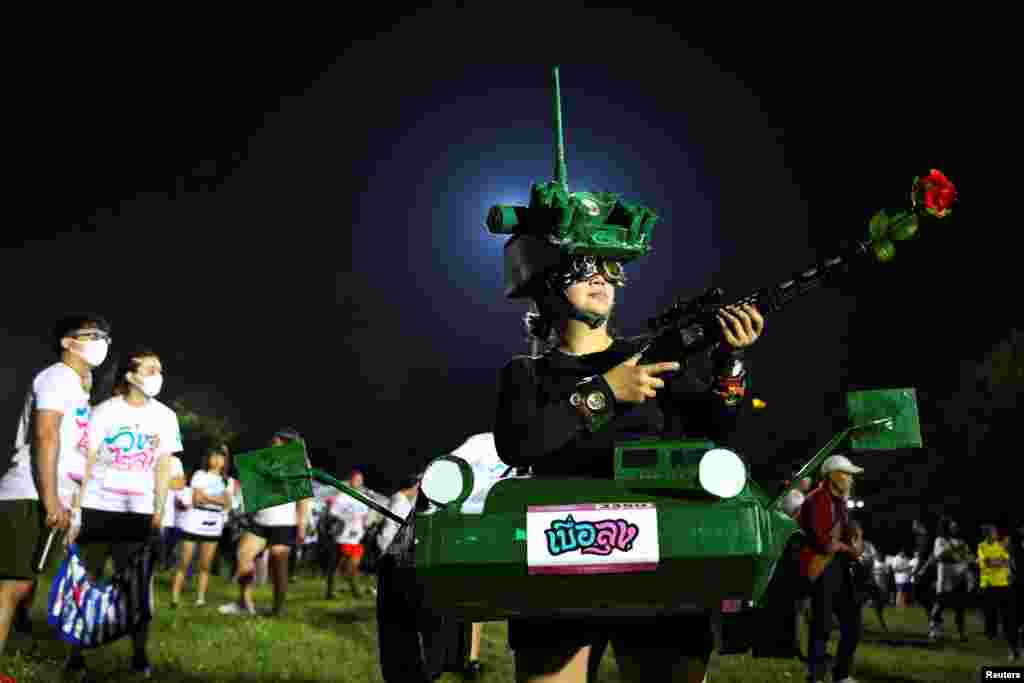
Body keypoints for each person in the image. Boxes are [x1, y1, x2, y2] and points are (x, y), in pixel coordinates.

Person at [492, 246, 763, 682]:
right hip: (560, 566)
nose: (599, 278)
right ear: (546, 290)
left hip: (664, 568)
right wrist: (606, 393)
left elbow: (716, 429)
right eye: (581, 270)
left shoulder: (652, 355)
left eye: (608, 270)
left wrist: (731, 360)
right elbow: (520, 444)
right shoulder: (526, 372)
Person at [66, 346, 182, 679]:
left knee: (137, 586)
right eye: (150, 370)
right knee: (86, 581)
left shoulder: (165, 417)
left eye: (160, 369)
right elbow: (85, 462)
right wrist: (76, 510)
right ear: (130, 376)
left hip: (139, 512)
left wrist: (158, 510)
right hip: (98, 507)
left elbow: (163, 466)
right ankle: (77, 655)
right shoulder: (104, 412)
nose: (157, 376)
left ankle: (139, 655)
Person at [0, 314, 111, 656]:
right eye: (91, 334)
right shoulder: (56, 377)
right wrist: (50, 500)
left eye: (104, 335)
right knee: (13, 586)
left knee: (24, 584)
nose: (101, 341)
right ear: (67, 342)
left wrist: (71, 504)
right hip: (28, 492)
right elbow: (45, 434)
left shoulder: (77, 388)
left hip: (51, 495)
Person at [219, 428, 311, 617]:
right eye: (272, 441)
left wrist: (302, 525)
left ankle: (278, 609)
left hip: (284, 523)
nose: (272, 443)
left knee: (279, 568)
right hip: (260, 520)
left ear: (286, 443)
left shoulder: (299, 463)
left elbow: (303, 499)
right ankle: (244, 603)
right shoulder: (263, 461)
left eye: (276, 441)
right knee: (243, 555)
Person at [798, 454, 864, 683]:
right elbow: (824, 543)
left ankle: (841, 674)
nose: (850, 479)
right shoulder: (817, 499)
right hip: (822, 567)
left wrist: (854, 534)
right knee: (822, 626)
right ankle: (816, 676)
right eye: (846, 474)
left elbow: (844, 535)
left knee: (853, 625)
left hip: (837, 567)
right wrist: (851, 549)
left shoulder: (840, 502)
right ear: (832, 476)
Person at [172, 443, 236, 607]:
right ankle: (175, 597)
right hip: (194, 521)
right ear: (208, 458)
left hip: (214, 524)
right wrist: (218, 499)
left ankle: (200, 598)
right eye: (213, 456)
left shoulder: (228, 481)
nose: (216, 460)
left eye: (220, 457)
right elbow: (197, 499)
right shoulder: (199, 475)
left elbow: (228, 503)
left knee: (205, 564)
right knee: (184, 561)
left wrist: (209, 497)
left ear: (225, 460)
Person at [326, 469, 372, 598]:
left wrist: (365, 525)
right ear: (350, 481)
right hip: (342, 537)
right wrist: (342, 521)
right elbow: (332, 514)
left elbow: (365, 516)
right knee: (337, 565)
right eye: (356, 479)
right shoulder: (342, 497)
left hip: (357, 537)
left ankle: (355, 590)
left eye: (360, 480)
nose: (358, 482)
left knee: (353, 565)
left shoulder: (363, 498)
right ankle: (332, 591)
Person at [928, 516, 972, 643]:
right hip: (945, 577)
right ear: (946, 526)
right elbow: (939, 555)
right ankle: (934, 630)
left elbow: (968, 556)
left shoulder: (961, 541)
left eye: (956, 525)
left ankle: (961, 633)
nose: (955, 527)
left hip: (959, 576)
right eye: (953, 525)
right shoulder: (940, 540)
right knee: (940, 604)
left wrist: (966, 558)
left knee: (960, 607)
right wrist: (955, 551)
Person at [978, 523, 1018, 659]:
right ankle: (992, 636)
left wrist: (997, 561)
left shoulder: (1000, 546)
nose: (997, 533)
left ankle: (1012, 647)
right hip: (989, 586)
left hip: (1004, 585)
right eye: (994, 531)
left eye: (996, 531)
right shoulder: (982, 546)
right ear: (988, 534)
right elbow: (987, 563)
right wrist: (998, 561)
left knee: (1008, 617)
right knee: (991, 617)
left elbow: (1007, 562)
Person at [849, 521, 888, 632]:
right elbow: (857, 555)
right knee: (856, 603)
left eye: (859, 530)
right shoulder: (851, 543)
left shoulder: (868, 544)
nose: (857, 532)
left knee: (879, 599)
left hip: (867, 578)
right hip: (855, 578)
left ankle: (881, 622)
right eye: (856, 530)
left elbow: (873, 557)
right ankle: (856, 625)